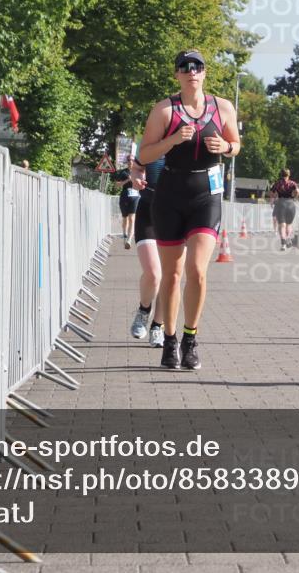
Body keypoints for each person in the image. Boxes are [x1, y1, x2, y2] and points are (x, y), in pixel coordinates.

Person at [136, 49, 241, 370]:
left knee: (197, 270)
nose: (191, 71)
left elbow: (236, 144)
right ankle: (169, 340)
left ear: (205, 73)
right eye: (185, 67)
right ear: (177, 75)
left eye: (197, 67)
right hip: (170, 195)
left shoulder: (222, 107)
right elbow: (144, 154)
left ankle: (190, 339)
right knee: (173, 274)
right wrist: (172, 141)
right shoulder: (164, 111)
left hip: (206, 195)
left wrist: (225, 147)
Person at [127, 154, 167, 347]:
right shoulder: (153, 140)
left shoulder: (191, 142)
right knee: (153, 274)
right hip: (148, 211)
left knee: (169, 277)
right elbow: (137, 168)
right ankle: (144, 311)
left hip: (176, 215)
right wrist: (135, 177)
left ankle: (157, 326)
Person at [114, 155, 140, 249]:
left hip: (135, 197)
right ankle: (124, 233)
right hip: (125, 196)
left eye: (132, 160)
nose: (130, 162)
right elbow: (117, 185)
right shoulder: (123, 172)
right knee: (125, 218)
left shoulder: (138, 172)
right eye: (129, 160)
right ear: (127, 162)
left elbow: (143, 182)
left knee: (132, 219)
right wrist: (128, 180)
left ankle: (129, 240)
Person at [270, 168, 299, 250]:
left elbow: (271, 192)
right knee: (289, 225)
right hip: (290, 204)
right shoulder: (292, 183)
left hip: (281, 204)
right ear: (289, 175)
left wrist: (272, 201)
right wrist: (295, 197)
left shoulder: (277, 183)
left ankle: (283, 244)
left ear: (281, 174)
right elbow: (297, 190)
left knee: (282, 225)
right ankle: (288, 238)